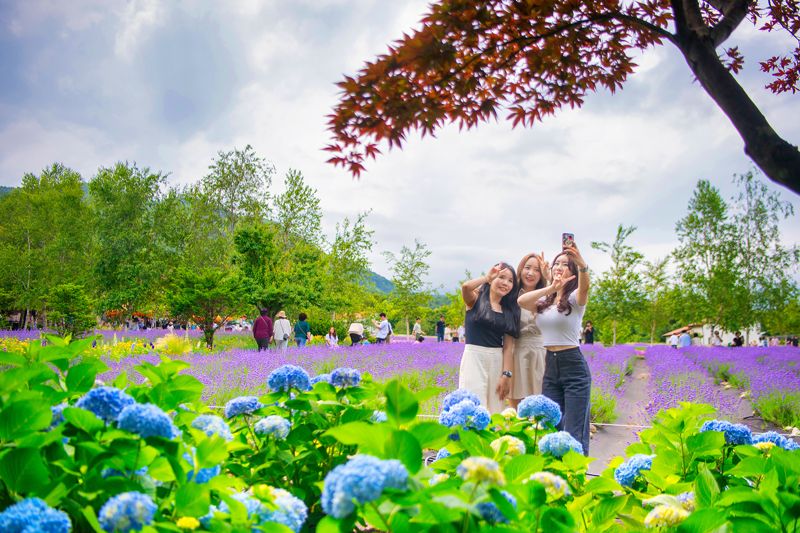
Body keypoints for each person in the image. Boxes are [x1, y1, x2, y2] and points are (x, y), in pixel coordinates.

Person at [518, 242, 591, 455]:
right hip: (550, 367)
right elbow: (522, 301)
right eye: (556, 263)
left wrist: (582, 265)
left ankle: (577, 479)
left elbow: (585, 287)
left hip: (574, 367)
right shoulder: (545, 300)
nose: (559, 267)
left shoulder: (575, 298)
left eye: (565, 264)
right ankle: (555, 478)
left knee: (574, 429)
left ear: (573, 271)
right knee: (551, 427)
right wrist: (551, 287)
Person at [459, 263, 521, 414]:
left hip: (497, 360)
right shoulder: (475, 299)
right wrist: (486, 277)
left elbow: (508, 347)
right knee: (471, 407)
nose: (505, 283)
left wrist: (506, 375)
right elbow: (466, 287)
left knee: (495, 411)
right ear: (492, 279)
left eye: (510, 280)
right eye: (501, 277)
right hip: (474, 357)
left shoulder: (510, 311)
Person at [510, 252, 549, 409]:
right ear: (520, 270)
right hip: (516, 353)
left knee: (541, 406)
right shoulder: (510, 296)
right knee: (516, 408)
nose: (531, 273)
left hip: (541, 354)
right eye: (527, 268)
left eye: (537, 270)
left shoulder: (548, 296)